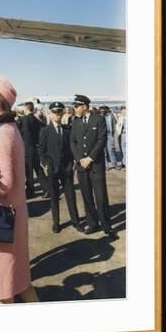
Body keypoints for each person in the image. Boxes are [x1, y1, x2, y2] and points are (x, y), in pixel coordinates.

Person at [0, 75, 39, 304]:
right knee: (21, 283)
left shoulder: (3, 134)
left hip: (3, 219)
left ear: (0, 103)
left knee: (3, 290)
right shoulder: (11, 129)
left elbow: (4, 183)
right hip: (15, 214)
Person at [70, 94, 116, 239]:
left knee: (101, 196)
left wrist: (90, 158)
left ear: (85, 106)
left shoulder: (99, 119)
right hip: (81, 166)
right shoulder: (76, 122)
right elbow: (73, 142)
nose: (75, 109)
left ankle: (106, 225)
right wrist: (80, 159)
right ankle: (92, 223)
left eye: (77, 106)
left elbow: (102, 140)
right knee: (86, 195)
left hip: (95, 164)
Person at [37, 102, 83, 233]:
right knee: (54, 197)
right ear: (50, 114)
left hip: (66, 169)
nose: (57, 115)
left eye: (59, 112)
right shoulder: (44, 131)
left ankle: (76, 222)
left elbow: (72, 149)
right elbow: (41, 150)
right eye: (54, 112)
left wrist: (73, 163)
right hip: (52, 169)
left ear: (62, 113)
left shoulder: (67, 130)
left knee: (71, 196)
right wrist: (46, 164)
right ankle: (56, 223)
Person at [19, 101, 49, 198]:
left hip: (27, 149)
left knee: (29, 171)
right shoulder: (35, 120)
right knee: (38, 169)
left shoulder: (25, 120)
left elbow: (26, 135)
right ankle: (47, 189)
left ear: (26, 108)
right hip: (35, 148)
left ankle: (30, 191)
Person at [100, 105, 121, 170]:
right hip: (101, 135)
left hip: (109, 135)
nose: (102, 110)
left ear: (106, 109)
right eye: (101, 109)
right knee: (104, 150)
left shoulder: (110, 116)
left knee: (111, 149)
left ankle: (114, 164)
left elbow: (114, 124)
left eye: (104, 109)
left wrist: (115, 134)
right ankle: (106, 165)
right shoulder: (99, 117)